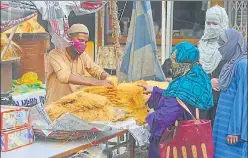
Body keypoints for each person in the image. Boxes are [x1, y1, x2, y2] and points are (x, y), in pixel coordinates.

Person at [140, 42, 214, 158]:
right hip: (195, 135)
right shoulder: (200, 76)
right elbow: (182, 100)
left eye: (175, 61)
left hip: (178, 141)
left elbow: (164, 118)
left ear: (183, 61)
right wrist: (155, 90)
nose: (172, 65)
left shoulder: (180, 86)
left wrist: (150, 115)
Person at [46, 24, 112, 105]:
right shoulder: (55, 54)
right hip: (55, 105)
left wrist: (107, 77)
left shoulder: (83, 56)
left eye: (85, 42)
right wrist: (95, 82)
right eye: (80, 40)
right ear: (69, 39)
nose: (83, 44)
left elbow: (96, 70)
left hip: (74, 105)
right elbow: (63, 76)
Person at [213, 28, 247, 158]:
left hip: (232, 129)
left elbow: (243, 100)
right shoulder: (229, 64)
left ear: (233, 44)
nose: (220, 48)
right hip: (222, 125)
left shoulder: (243, 65)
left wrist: (235, 130)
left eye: (223, 44)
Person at [198, 5, 229, 125]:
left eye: (215, 23)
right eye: (208, 23)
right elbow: (196, 71)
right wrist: (208, 81)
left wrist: (222, 81)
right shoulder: (201, 45)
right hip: (202, 99)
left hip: (222, 101)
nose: (211, 27)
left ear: (222, 23)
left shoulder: (229, 46)